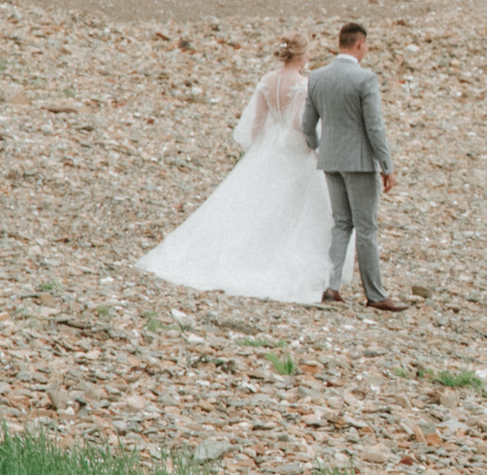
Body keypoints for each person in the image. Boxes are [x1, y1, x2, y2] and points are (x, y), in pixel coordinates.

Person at [137, 36, 335, 303]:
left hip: (268, 149)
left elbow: (257, 123)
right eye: (308, 53)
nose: (310, 57)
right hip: (293, 151)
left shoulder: (267, 80)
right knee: (294, 207)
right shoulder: (303, 84)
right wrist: (316, 146)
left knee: (252, 204)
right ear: (300, 56)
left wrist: (258, 150)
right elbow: (301, 125)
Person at [304, 20, 400, 311]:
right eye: (367, 45)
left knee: (342, 224)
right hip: (359, 162)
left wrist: (323, 149)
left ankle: (331, 286)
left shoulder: (317, 77)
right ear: (359, 44)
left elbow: (307, 126)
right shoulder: (365, 79)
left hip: (330, 160)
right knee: (366, 227)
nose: (367, 50)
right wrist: (387, 164)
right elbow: (374, 127)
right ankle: (375, 294)